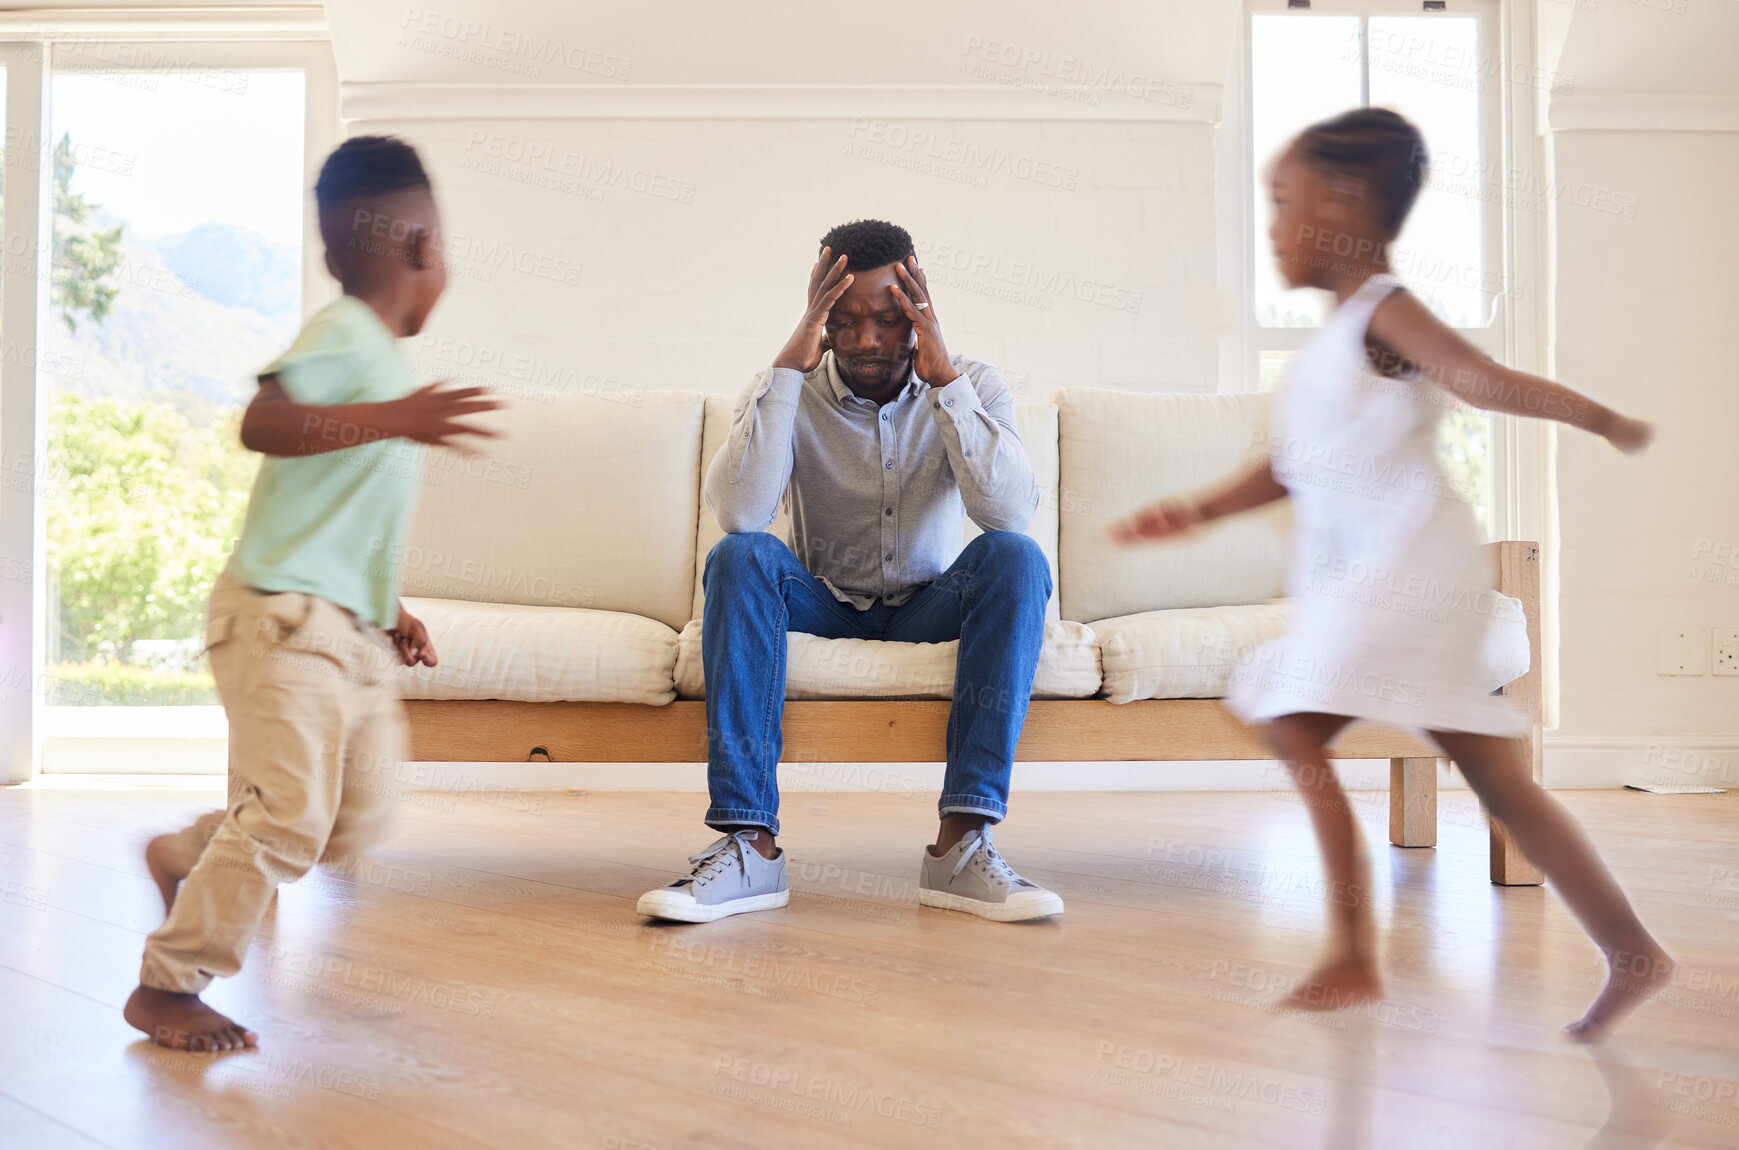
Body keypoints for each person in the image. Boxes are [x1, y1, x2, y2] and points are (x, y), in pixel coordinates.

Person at [1109, 108, 1670, 1042]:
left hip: (1408, 569)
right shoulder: (1330, 343)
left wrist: (1599, 416)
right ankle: (1631, 953)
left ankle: (1351, 953)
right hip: (1372, 574)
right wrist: (1198, 511)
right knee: (1493, 776)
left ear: (1344, 202)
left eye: (1282, 203)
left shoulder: (1382, 311)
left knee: (1290, 718)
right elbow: (1290, 465)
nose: (1273, 226)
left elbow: (1480, 380)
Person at [124, 135, 503, 1050]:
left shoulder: (376, 362)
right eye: (443, 245)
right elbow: (264, 422)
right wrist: (396, 418)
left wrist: (391, 611)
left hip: (343, 632)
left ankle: (186, 857)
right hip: (278, 625)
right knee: (293, 815)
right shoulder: (344, 338)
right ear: (420, 251)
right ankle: (169, 985)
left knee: (348, 821)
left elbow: (343, 524)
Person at [636, 219, 1062, 924]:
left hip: (931, 601)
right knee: (740, 557)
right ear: (821, 320)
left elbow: (1008, 512)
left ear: (920, 315)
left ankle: (960, 847)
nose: (868, 340)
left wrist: (945, 381)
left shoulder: (972, 383)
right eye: (845, 319)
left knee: (1015, 558)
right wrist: (785, 372)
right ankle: (750, 847)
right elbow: (741, 513)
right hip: (823, 598)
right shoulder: (784, 389)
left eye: (891, 320)